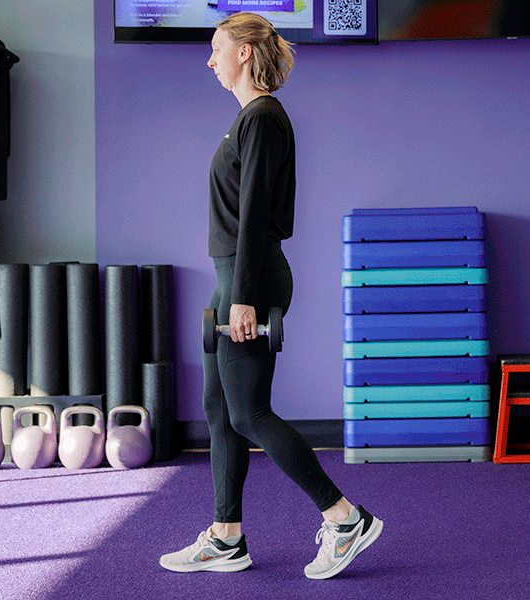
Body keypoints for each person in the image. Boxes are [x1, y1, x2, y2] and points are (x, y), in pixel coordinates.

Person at [159, 12, 383, 580]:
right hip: (233, 276)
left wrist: (243, 298)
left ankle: (344, 517)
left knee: (249, 411)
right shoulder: (249, 120)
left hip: (248, 279)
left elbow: (256, 215)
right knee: (220, 410)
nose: (209, 60)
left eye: (216, 49)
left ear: (242, 54)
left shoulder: (261, 118)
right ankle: (226, 537)